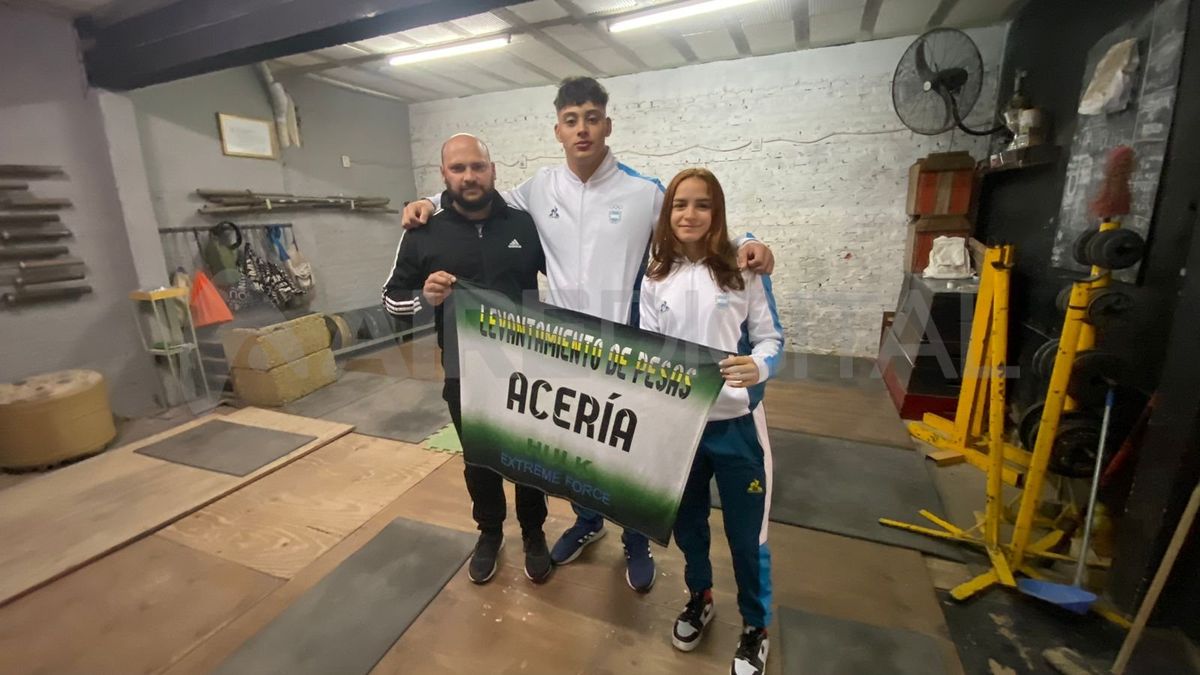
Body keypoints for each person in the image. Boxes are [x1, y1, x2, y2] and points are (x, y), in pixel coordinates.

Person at [402, 77, 776, 593]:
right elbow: (475, 194)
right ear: (558, 130)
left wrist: (750, 241)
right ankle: (587, 521)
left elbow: (695, 221)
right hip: (562, 351)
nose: (582, 129)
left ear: (607, 125)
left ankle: (636, 540)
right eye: (571, 120)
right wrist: (423, 202)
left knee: (627, 452)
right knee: (575, 447)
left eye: (592, 119)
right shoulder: (538, 189)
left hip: (627, 351)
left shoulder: (644, 192)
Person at [382, 133, 552, 585]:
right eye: (458, 169)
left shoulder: (525, 225)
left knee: (529, 454)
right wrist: (425, 298)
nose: (469, 176)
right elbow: (392, 301)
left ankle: (534, 531)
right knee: (479, 458)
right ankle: (490, 532)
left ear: (493, 170)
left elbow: (571, 276)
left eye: (477, 166)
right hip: (464, 370)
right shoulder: (423, 232)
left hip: (528, 367)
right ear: (444, 176)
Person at [638, 168, 782, 675]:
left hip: (737, 428)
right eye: (680, 204)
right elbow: (649, 349)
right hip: (682, 429)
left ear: (717, 213)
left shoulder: (744, 268)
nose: (690, 214)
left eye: (702, 204)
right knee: (690, 527)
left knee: (747, 538)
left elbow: (771, 339)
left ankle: (756, 626)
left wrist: (759, 367)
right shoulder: (655, 277)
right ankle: (700, 596)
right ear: (668, 212)